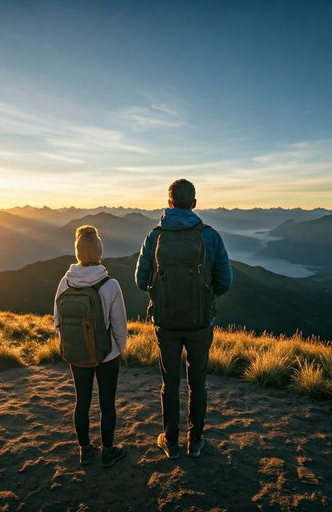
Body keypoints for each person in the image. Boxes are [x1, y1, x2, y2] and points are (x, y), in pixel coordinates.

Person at [135, 179, 233, 460]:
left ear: (169, 203)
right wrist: (205, 298)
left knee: (170, 383)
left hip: (165, 322)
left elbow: (141, 281)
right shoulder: (210, 236)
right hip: (200, 322)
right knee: (197, 382)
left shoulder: (154, 236)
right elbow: (225, 280)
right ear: (194, 204)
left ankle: (171, 440)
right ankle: (196, 440)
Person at [54, 225, 127, 467]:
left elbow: (58, 322)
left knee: (81, 401)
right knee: (107, 403)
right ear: (99, 252)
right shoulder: (110, 285)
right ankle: (108, 452)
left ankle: (85, 451)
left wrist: (72, 344)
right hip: (107, 355)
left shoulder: (65, 283)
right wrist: (120, 350)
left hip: (77, 353)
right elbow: (119, 325)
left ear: (77, 253)